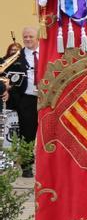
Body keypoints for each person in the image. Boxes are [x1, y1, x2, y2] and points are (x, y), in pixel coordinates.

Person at [12, 27, 40, 176]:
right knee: (27, 133)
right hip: (27, 99)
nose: (28, 39)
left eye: (31, 36)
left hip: (47, 99)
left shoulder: (48, 53)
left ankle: (49, 166)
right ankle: (27, 167)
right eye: (25, 37)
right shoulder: (17, 56)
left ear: (38, 38)